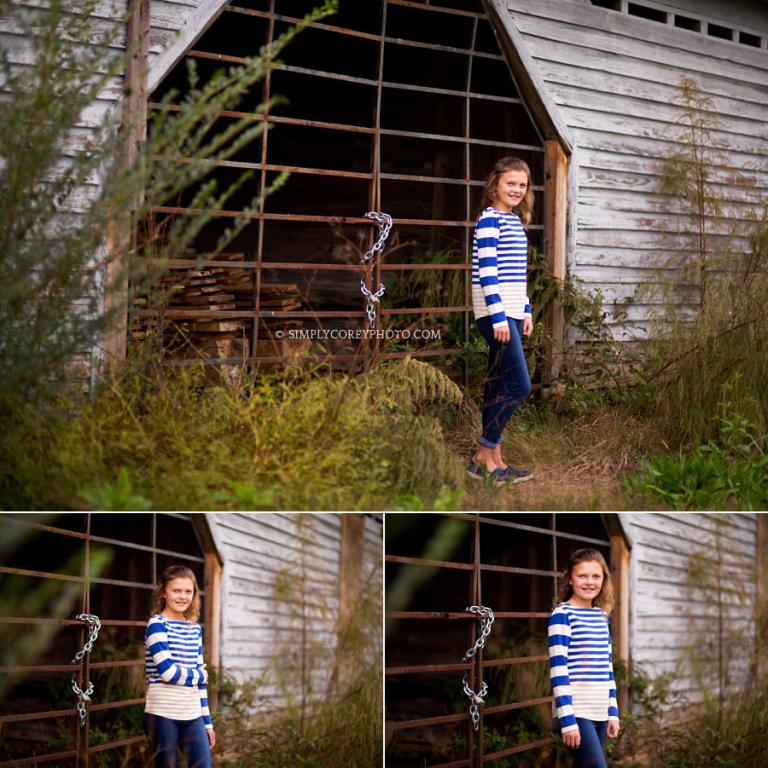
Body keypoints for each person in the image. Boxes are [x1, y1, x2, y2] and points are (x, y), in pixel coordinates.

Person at [468, 156, 534, 485]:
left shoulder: (514, 222)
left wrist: (526, 311)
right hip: (496, 314)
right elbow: (488, 273)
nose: (517, 190)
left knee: (497, 386)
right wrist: (498, 316)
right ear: (495, 184)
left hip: (509, 312)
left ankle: (494, 461)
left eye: (522, 185)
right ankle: (483, 453)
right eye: (511, 183)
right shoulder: (489, 220)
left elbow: (516, 276)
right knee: (520, 385)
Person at [548, 549, 621, 768]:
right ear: (570, 579)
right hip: (576, 711)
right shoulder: (563, 615)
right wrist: (568, 720)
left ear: (603, 579)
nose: (589, 582)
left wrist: (613, 712)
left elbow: (607, 669)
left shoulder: (601, 617)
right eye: (582, 576)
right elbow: (558, 670)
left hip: (599, 709)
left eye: (596, 576)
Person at [144, 565, 215, 768]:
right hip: (162, 714)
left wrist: (207, 723)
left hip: (193, 715)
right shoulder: (157, 625)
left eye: (188, 591)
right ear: (164, 592)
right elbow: (167, 672)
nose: (183, 596)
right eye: (176, 590)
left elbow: (201, 686)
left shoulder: (194, 629)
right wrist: (199, 676)